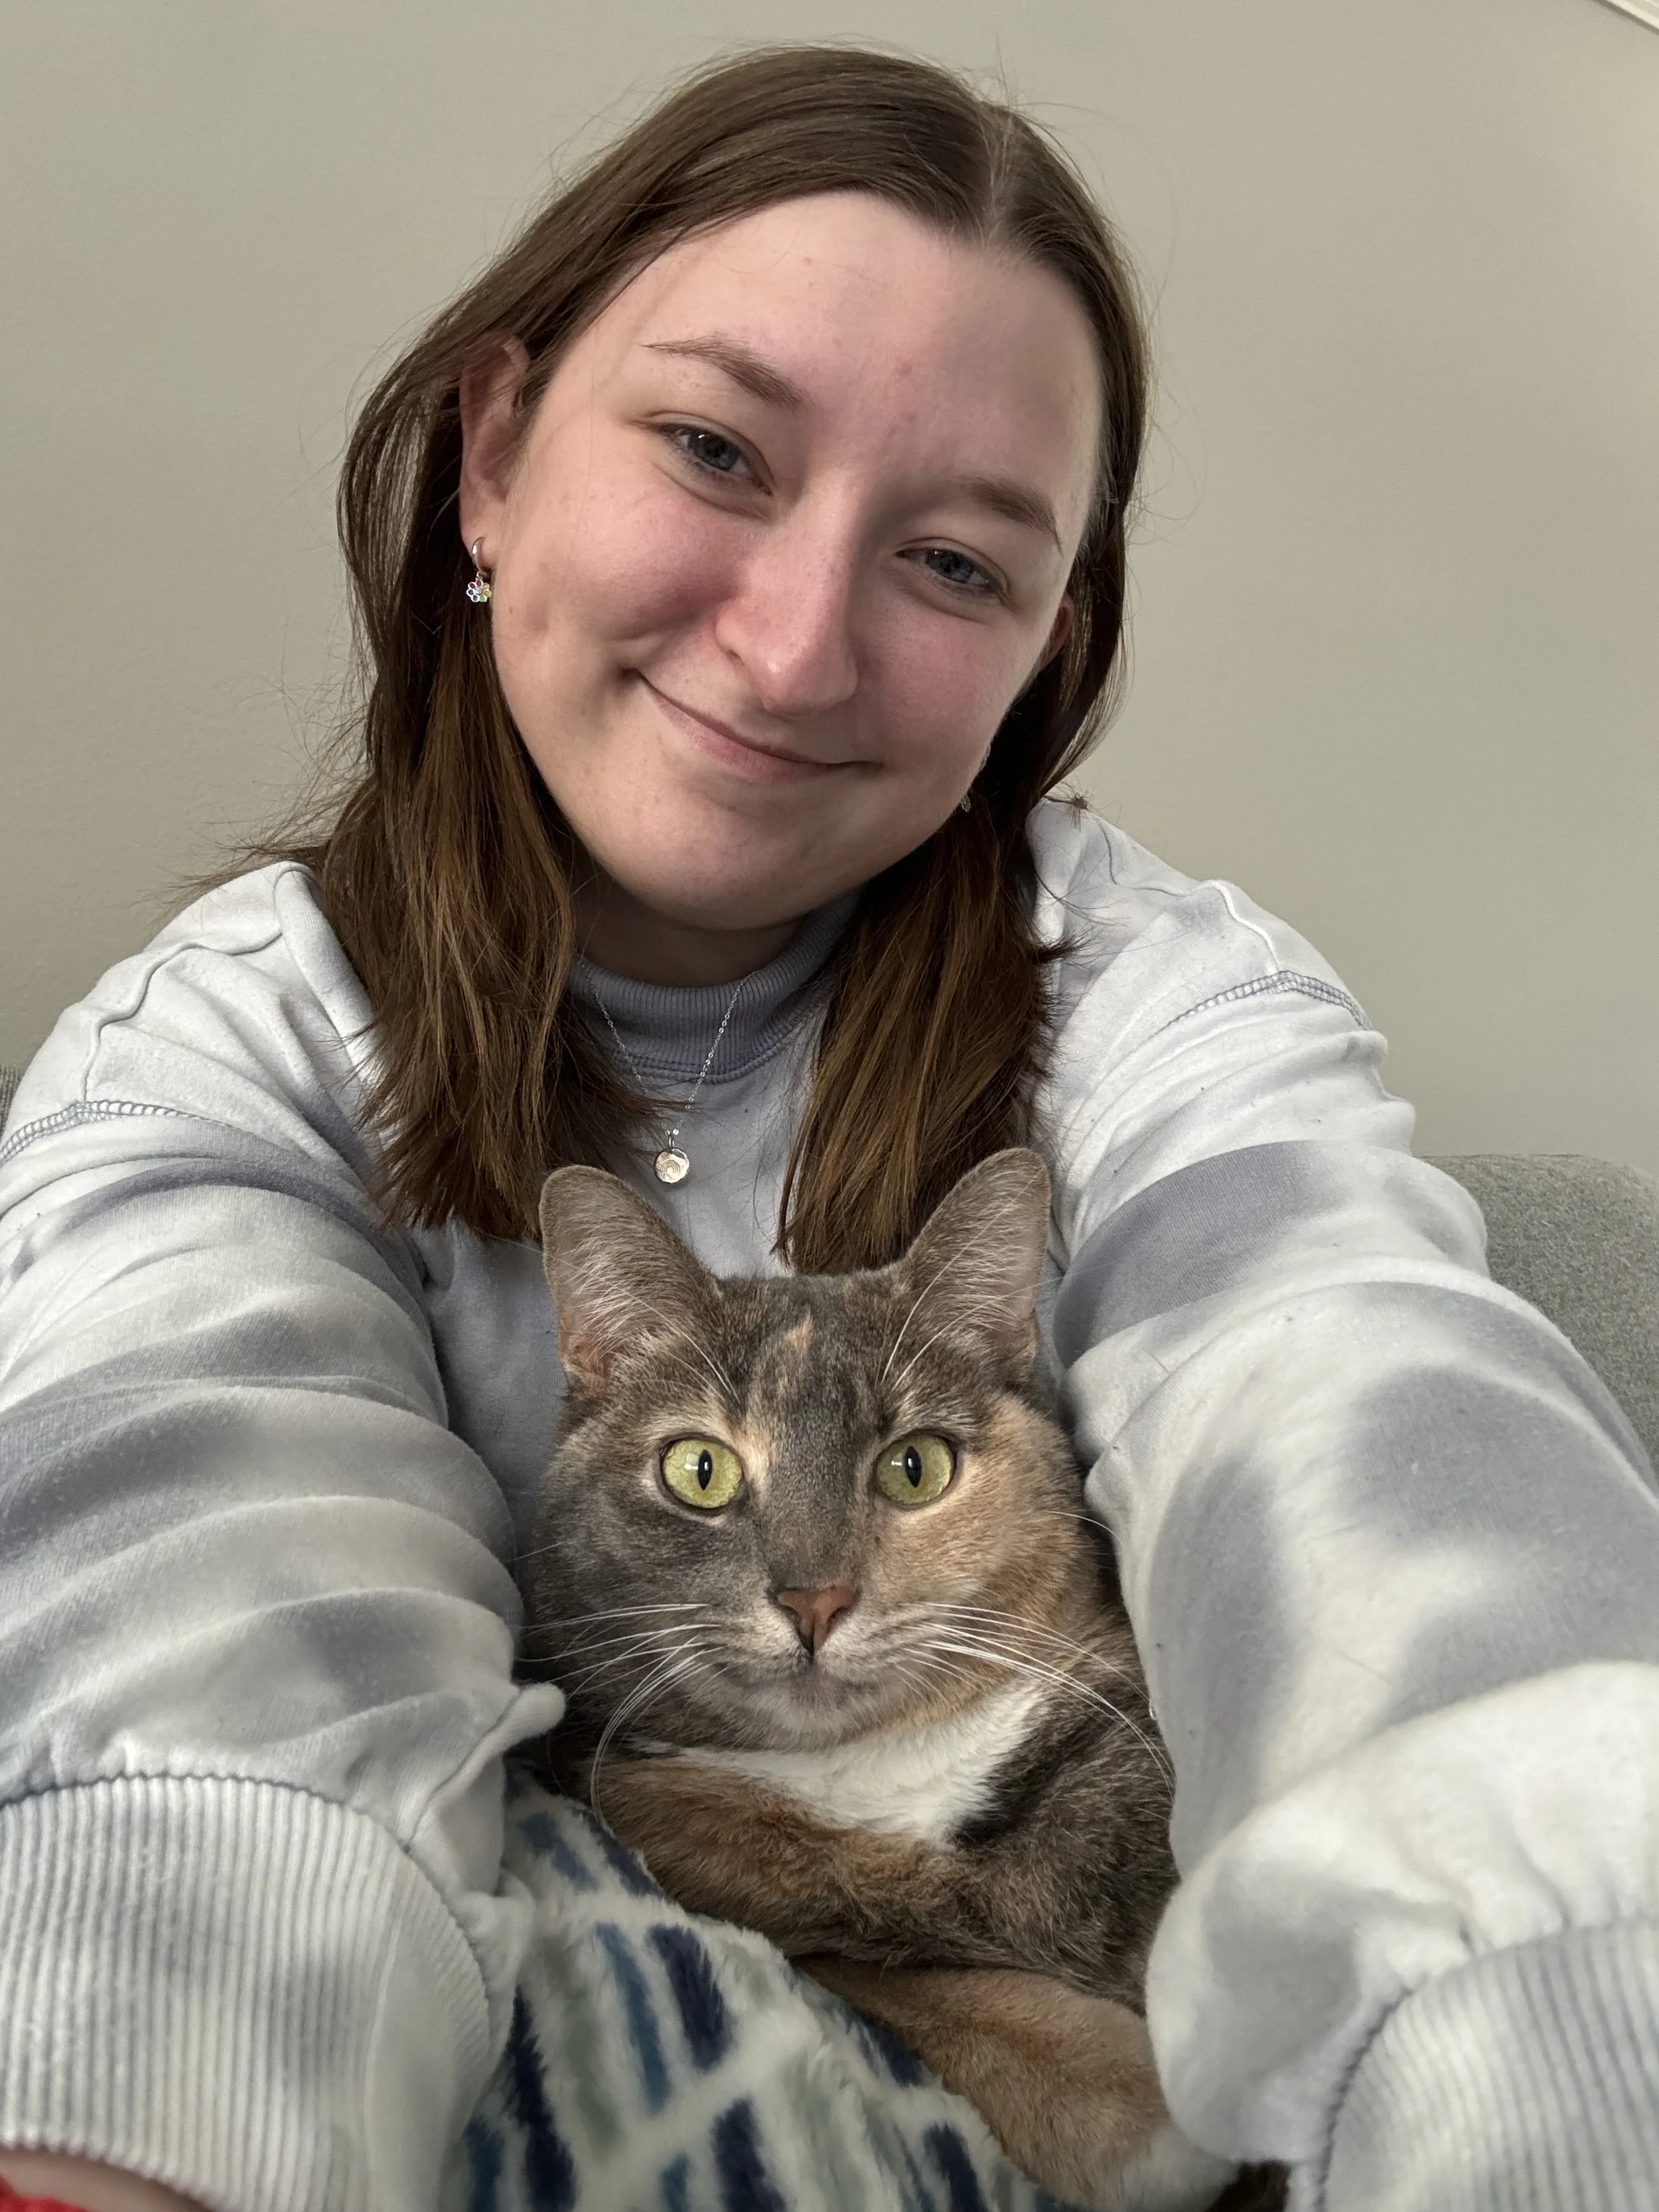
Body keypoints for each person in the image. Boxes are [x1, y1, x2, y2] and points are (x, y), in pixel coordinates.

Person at [2, 43, 1657, 2212]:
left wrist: (1567, 2058)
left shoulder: (1160, 1002)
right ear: (492, 456)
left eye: (955, 561)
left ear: (1043, 650)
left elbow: (1363, 1421)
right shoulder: (220, 1055)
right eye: (711, 447)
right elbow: (194, 1639)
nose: (790, 651)